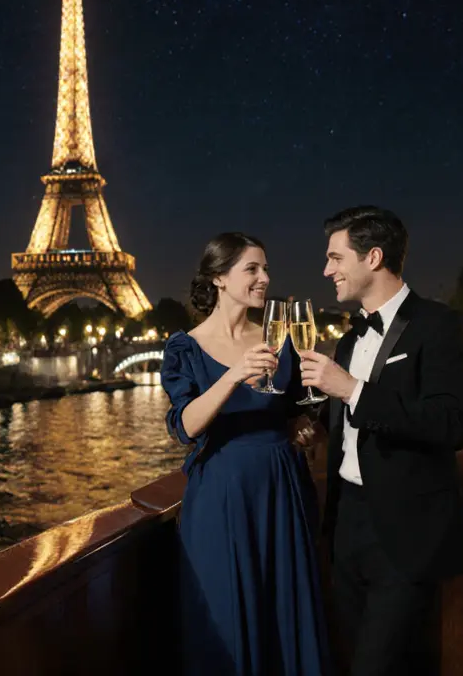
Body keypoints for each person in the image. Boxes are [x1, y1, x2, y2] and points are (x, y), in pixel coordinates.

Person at [298, 206, 463, 676]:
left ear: (373, 257)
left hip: (406, 533)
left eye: (335, 258)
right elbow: (350, 423)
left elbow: (450, 424)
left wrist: (351, 389)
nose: (326, 270)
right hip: (346, 525)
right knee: (361, 657)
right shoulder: (352, 339)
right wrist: (307, 423)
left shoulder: (441, 326)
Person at [161, 232, 329, 676]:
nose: (264, 278)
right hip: (221, 496)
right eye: (252, 269)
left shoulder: (282, 339)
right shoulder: (185, 348)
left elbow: (298, 414)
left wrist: (304, 428)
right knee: (226, 614)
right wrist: (234, 374)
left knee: (284, 611)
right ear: (219, 277)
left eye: (266, 269)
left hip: (282, 489)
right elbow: (185, 426)